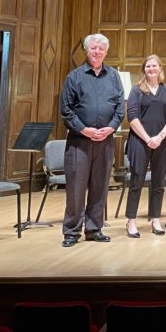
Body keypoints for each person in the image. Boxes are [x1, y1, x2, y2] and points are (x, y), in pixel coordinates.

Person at [59, 33, 124, 247]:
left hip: (105, 141)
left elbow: (119, 108)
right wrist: (84, 130)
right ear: (87, 50)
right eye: (93, 48)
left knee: (100, 186)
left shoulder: (114, 76)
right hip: (80, 142)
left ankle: (94, 228)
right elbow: (66, 110)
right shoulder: (74, 76)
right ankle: (71, 231)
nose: (97, 52)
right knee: (76, 188)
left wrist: (111, 127)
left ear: (106, 52)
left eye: (101, 49)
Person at [125, 55, 166, 237]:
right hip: (140, 141)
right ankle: (131, 221)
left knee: (158, 183)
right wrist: (148, 138)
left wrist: (160, 137)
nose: (151, 69)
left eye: (154, 66)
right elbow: (132, 117)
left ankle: (155, 218)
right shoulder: (136, 91)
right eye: (148, 66)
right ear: (144, 69)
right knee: (136, 181)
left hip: (162, 142)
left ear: (160, 68)